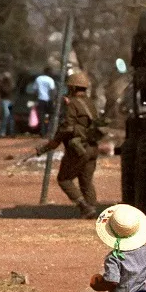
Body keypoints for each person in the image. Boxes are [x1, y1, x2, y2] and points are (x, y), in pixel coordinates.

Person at [34, 71, 103, 218]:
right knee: (86, 181)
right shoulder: (90, 103)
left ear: (72, 88)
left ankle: (84, 207)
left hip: (78, 149)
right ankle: (92, 210)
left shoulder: (72, 104)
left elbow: (67, 128)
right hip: (92, 148)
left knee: (64, 179)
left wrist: (51, 144)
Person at [34, 67, 57, 137]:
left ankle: (42, 131)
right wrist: (53, 100)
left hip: (41, 100)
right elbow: (53, 91)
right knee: (48, 115)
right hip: (49, 100)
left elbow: (35, 90)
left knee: (41, 115)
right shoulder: (50, 80)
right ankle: (47, 130)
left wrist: (36, 98)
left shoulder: (38, 79)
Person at [0, 72, 15, 137]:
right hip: (5, 100)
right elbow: (6, 91)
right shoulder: (2, 84)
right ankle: (3, 132)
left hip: (10, 101)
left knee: (11, 116)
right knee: (6, 115)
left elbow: (13, 90)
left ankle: (11, 132)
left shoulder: (10, 84)